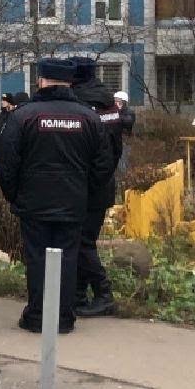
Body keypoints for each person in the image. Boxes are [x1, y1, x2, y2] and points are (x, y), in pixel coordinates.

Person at [0, 58, 113, 334]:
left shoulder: (24, 115)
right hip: (73, 203)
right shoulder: (87, 116)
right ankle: (64, 316)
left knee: (37, 259)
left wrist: (16, 196)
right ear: (69, 83)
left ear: (41, 81)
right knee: (68, 258)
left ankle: (37, 315)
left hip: (34, 203)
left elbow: (6, 162)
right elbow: (103, 165)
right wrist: (85, 194)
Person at [68, 57, 124, 318]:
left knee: (81, 242)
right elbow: (115, 148)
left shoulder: (78, 102)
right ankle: (79, 295)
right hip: (104, 181)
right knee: (84, 240)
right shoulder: (109, 102)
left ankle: (103, 294)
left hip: (83, 183)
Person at [114, 91, 134, 174]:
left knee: (123, 161)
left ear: (124, 103)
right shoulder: (114, 111)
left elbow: (128, 121)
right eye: (115, 101)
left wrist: (117, 113)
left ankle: (125, 178)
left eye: (118, 101)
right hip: (115, 139)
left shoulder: (129, 112)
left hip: (124, 140)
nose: (116, 103)